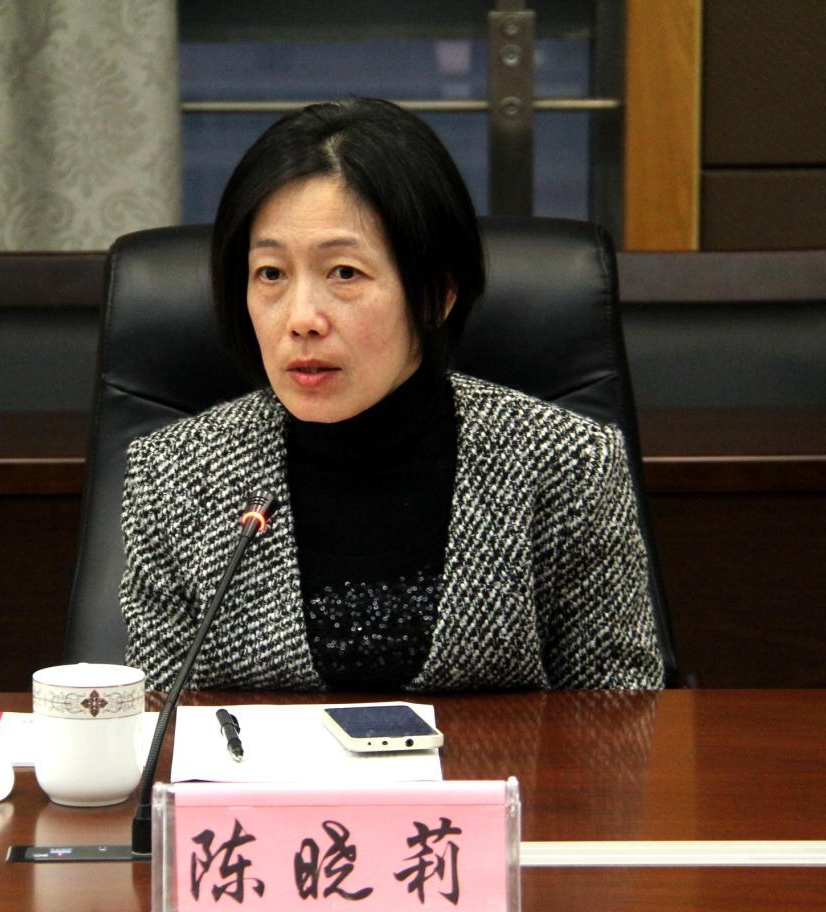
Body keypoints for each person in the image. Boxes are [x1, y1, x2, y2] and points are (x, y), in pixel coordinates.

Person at [120, 98, 665, 692]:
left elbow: (618, 719)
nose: (301, 319)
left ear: (436, 295)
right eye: (270, 274)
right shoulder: (174, 477)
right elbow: (156, 724)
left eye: (344, 273)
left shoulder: (567, 465)